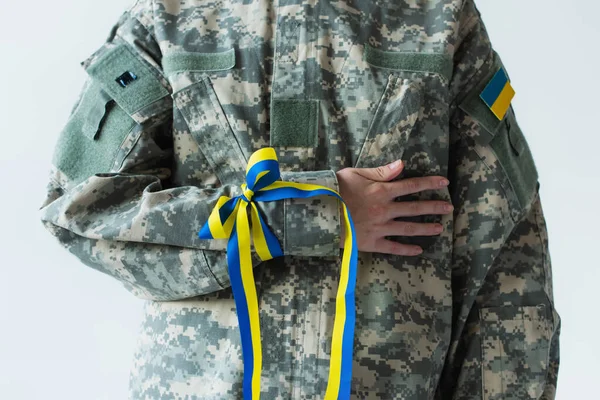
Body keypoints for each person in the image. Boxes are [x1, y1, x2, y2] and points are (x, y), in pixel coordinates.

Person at [38, 0, 560, 398]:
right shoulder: (170, 15)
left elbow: (508, 262)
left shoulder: (437, 16)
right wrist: (314, 215)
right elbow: (80, 209)